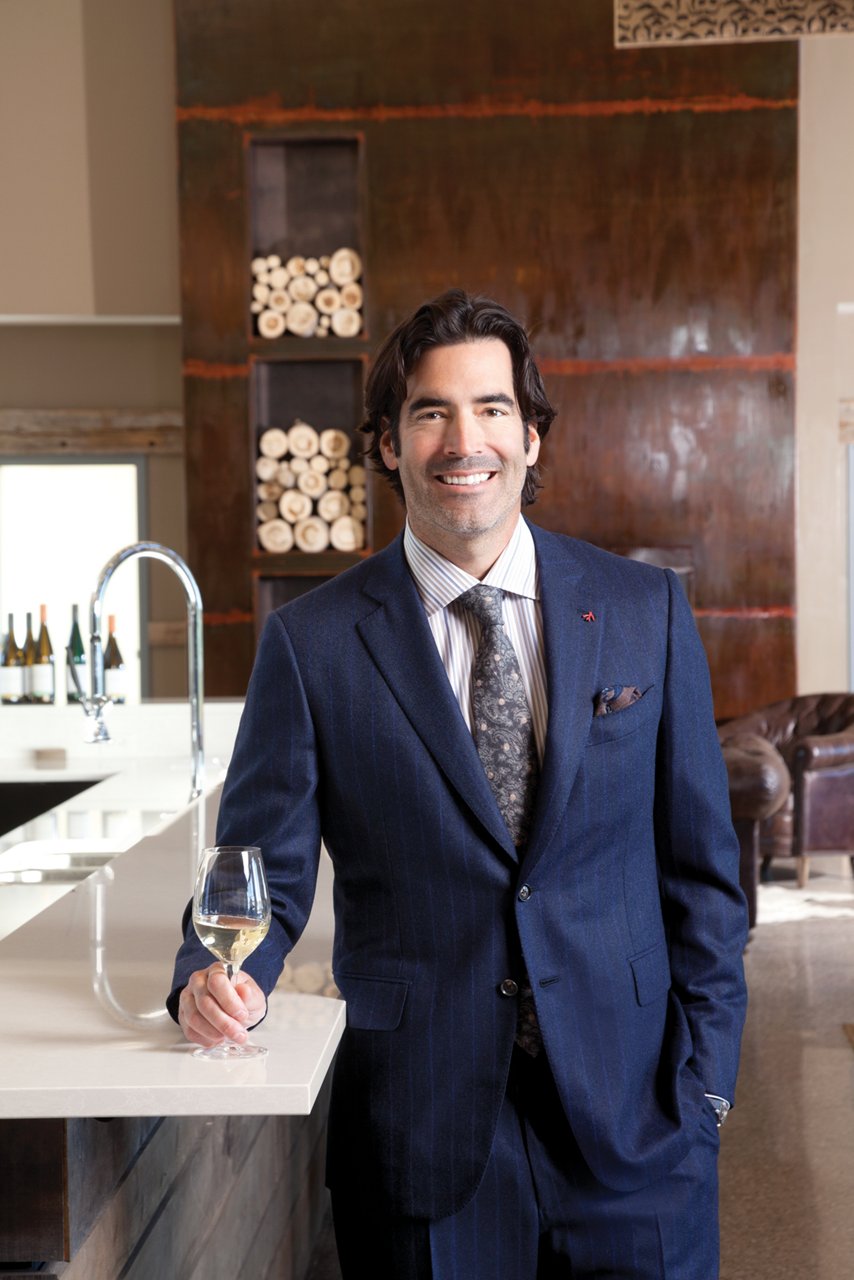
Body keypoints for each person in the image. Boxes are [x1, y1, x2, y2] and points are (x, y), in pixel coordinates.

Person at [168, 289, 748, 1279]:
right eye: (429, 410)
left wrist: (703, 1094)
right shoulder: (311, 644)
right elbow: (258, 864)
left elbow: (701, 875)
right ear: (388, 444)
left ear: (529, 435)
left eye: (488, 408)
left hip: (637, 1129)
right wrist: (210, 975)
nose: (461, 436)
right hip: (422, 1133)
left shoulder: (642, 608)